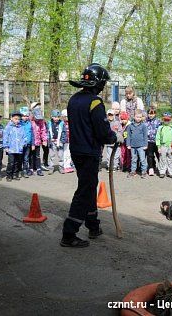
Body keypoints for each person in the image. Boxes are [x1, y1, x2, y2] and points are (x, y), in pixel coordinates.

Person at [61, 63, 116, 248]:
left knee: (89, 186)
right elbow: (102, 130)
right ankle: (69, 233)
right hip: (89, 152)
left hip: (76, 150)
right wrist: (114, 137)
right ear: (98, 83)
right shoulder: (95, 102)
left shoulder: (74, 99)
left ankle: (93, 225)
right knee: (85, 191)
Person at [126, 109, 148, 178]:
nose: (138, 118)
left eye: (140, 117)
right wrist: (128, 144)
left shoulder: (143, 126)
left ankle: (144, 172)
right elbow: (128, 135)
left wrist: (145, 145)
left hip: (141, 146)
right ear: (134, 116)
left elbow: (145, 136)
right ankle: (133, 171)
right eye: (137, 117)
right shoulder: (130, 126)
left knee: (142, 159)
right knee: (133, 159)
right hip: (133, 146)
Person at [4, 111, 25, 181]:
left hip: (19, 148)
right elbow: (5, 137)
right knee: (11, 162)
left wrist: (23, 144)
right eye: (16, 119)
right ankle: (9, 175)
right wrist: (6, 146)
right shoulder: (8, 127)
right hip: (11, 149)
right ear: (12, 118)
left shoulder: (21, 127)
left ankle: (15, 174)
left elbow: (23, 137)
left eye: (19, 119)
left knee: (17, 162)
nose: (17, 120)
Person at [30, 103, 50, 170]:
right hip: (31, 141)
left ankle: (43, 164)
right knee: (31, 154)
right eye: (35, 106)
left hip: (38, 140)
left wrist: (44, 140)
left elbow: (43, 130)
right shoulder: (30, 120)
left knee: (39, 153)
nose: (38, 107)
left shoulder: (41, 119)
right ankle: (31, 167)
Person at [156, 112, 172, 178]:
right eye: (165, 120)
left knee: (170, 159)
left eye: (168, 120)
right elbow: (157, 137)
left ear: (170, 120)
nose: (166, 121)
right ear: (163, 119)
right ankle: (162, 171)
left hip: (170, 146)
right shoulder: (160, 128)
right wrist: (158, 147)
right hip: (162, 146)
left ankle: (171, 172)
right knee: (162, 159)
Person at [47, 110, 65, 174]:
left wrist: (62, 141)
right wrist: (48, 140)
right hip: (52, 142)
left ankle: (61, 167)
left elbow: (64, 132)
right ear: (52, 116)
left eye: (58, 117)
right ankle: (51, 168)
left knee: (61, 155)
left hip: (59, 141)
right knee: (52, 156)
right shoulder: (49, 123)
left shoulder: (62, 123)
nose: (56, 118)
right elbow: (47, 132)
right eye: (55, 117)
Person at [145, 106, 161, 176]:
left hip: (157, 141)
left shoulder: (158, 121)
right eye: (149, 113)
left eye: (152, 113)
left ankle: (161, 168)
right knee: (150, 155)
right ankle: (151, 167)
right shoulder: (145, 121)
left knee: (159, 155)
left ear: (155, 114)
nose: (151, 115)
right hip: (149, 141)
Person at [61, 109, 74, 173]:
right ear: (63, 117)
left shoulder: (71, 123)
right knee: (65, 153)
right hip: (65, 141)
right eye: (66, 116)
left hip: (70, 140)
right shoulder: (62, 123)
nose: (67, 118)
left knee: (69, 153)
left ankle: (68, 165)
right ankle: (65, 166)